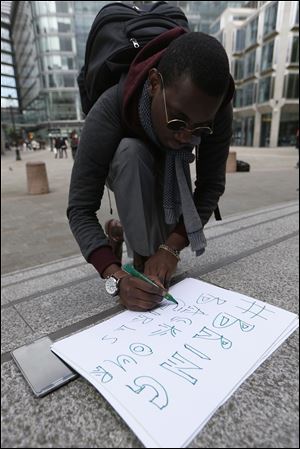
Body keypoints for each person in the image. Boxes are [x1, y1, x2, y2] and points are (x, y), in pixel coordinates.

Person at [67, 30, 235, 312]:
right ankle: (142, 261)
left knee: (161, 245)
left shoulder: (218, 107)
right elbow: (79, 208)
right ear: (155, 83)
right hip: (127, 164)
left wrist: (170, 249)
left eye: (201, 128)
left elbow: (210, 186)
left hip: (173, 169)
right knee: (132, 153)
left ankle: (121, 231)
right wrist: (117, 278)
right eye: (178, 120)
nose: (186, 136)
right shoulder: (110, 106)